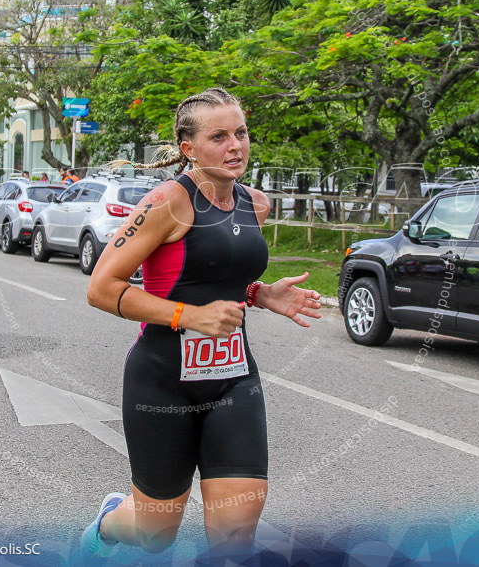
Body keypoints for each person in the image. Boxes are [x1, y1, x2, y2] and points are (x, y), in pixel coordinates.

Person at [81, 88, 322, 562]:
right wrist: (188, 317)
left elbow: (219, 275)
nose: (236, 145)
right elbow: (102, 287)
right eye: (219, 136)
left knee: (235, 535)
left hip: (233, 381)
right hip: (162, 382)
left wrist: (261, 293)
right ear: (188, 148)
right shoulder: (167, 202)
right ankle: (107, 524)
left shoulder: (256, 204)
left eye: (241, 133)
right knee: (155, 532)